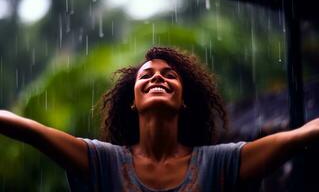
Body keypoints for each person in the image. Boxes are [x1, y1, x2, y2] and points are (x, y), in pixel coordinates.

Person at [0, 46, 318, 192]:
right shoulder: (101, 161)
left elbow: (298, 136)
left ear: (184, 101)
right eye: (146, 75)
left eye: (170, 75)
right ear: (133, 103)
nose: (158, 78)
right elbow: (29, 130)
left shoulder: (220, 163)